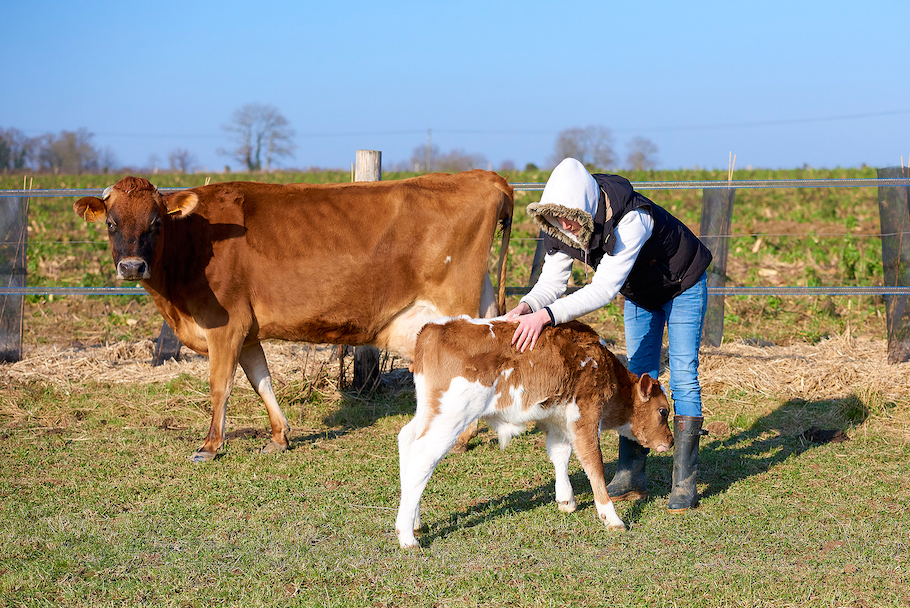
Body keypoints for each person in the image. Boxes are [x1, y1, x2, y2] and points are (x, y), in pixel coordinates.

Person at [505, 157, 712, 512]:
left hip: (682, 284)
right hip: (641, 292)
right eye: (557, 217)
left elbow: (601, 290)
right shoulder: (566, 226)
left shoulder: (632, 219)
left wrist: (547, 316)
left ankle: (685, 482)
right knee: (638, 375)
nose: (566, 225)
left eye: (570, 216)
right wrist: (527, 307)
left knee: (682, 375)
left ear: (586, 205)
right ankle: (632, 474)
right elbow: (552, 282)